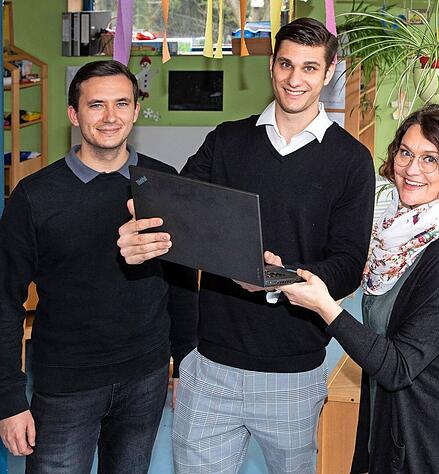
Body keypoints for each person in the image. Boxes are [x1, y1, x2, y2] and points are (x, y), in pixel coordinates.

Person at [116, 18, 375, 473]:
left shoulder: (352, 160)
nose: (295, 79)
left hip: (294, 372)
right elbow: (180, 217)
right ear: (271, 66)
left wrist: (277, 278)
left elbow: (349, 264)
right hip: (210, 367)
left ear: (330, 71)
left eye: (310, 68)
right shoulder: (226, 140)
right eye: (286, 65)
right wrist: (144, 227)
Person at [280, 105, 439, 473]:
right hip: (395, 417)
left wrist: (325, 307)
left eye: (431, 159)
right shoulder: (399, 233)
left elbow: (399, 365)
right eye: (406, 152)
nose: (412, 169)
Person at [0, 60, 197, 472]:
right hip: (65, 386)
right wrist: (9, 399)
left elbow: (181, 284)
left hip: (146, 377)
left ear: (136, 110)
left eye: (122, 103)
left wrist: (184, 365)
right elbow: (5, 302)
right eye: (96, 105)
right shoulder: (34, 197)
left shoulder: (163, 183)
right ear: (74, 115)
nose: (111, 117)